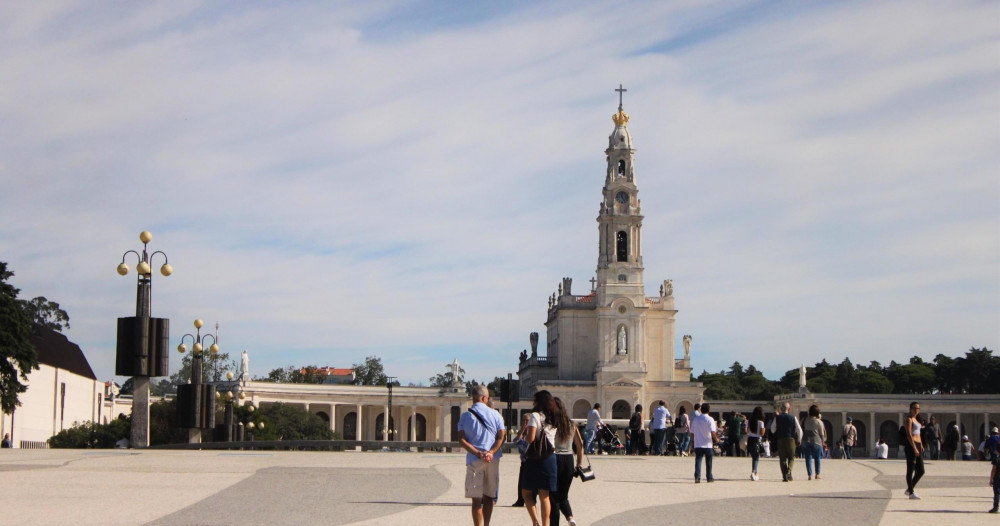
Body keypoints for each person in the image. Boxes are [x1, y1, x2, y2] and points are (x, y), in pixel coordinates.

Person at [457, 385, 506, 526]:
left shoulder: (465, 416)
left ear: (473, 398)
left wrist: (477, 452)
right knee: (489, 497)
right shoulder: (496, 414)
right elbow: (500, 437)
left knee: (476, 500)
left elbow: (461, 440)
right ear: (484, 398)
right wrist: (490, 452)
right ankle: (487, 524)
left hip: (474, 460)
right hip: (493, 459)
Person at [521, 390, 559, 526]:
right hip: (550, 457)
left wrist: (524, 436)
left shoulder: (535, 416)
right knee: (545, 495)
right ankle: (545, 524)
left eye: (535, 400)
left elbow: (531, 439)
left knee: (526, 492)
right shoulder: (554, 416)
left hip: (535, 458)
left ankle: (535, 521)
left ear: (538, 402)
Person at [550, 398, 584, 526]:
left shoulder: (551, 424)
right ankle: (570, 518)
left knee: (554, 496)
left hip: (555, 458)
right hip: (569, 459)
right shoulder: (572, 424)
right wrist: (579, 464)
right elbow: (580, 445)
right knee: (564, 495)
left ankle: (555, 524)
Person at [769, 401, 802, 482]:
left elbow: (772, 429)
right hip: (791, 439)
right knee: (792, 457)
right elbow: (799, 430)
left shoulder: (777, 417)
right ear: (789, 409)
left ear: (781, 409)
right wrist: (799, 439)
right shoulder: (793, 417)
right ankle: (789, 471)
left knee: (782, 459)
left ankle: (785, 476)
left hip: (780, 439)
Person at [690, 402, 719, 483]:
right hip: (708, 444)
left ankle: (697, 477)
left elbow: (691, 432)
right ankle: (709, 477)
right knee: (709, 461)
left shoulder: (696, 419)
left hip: (698, 444)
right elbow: (713, 431)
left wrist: (693, 440)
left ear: (701, 410)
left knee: (698, 460)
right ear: (709, 410)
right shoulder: (710, 419)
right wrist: (716, 439)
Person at [903, 401, 925, 500]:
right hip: (911, 446)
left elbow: (918, 434)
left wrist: (921, 445)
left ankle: (909, 488)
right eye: (915, 408)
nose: (917, 410)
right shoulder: (909, 419)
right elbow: (909, 434)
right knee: (910, 469)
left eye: (918, 408)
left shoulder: (917, 420)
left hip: (918, 444)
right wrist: (914, 448)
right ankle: (911, 492)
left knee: (921, 470)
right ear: (911, 409)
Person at [801, 404, 826, 481]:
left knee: (808, 458)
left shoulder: (805, 420)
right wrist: (822, 443)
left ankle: (809, 475)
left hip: (806, 440)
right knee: (817, 458)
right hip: (816, 441)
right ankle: (817, 474)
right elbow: (821, 434)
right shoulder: (819, 421)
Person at [512, 413, 531, 507]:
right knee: (521, 482)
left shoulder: (533, 433)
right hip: (524, 461)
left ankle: (531, 500)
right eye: (523, 420)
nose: (525, 422)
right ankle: (520, 500)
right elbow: (516, 441)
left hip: (532, 462)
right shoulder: (522, 434)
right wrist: (523, 429)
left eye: (527, 421)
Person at [747, 406, 765, 481]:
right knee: (756, 458)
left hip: (750, 439)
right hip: (757, 440)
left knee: (754, 457)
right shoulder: (761, 422)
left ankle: (755, 472)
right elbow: (762, 433)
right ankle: (754, 471)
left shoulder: (749, 421)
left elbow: (747, 431)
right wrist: (764, 429)